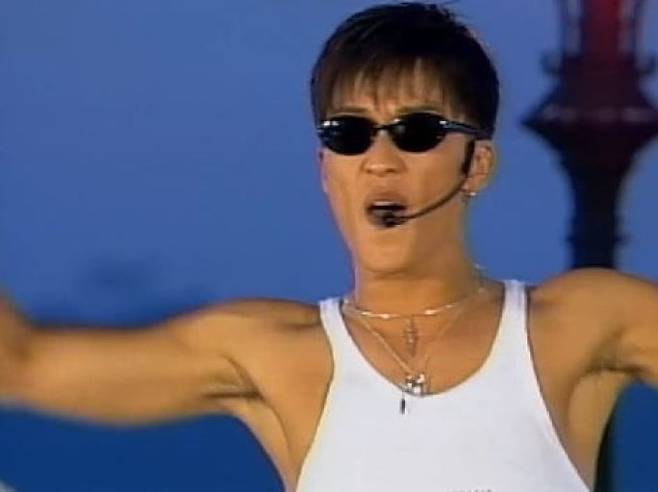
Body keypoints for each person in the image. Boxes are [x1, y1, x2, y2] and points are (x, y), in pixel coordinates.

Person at [1, 3, 657, 491]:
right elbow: (19, 363)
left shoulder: (581, 325)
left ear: (476, 165)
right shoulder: (271, 353)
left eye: (417, 131)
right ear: (325, 169)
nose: (380, 160)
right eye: (350, 134)